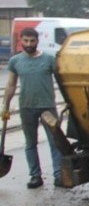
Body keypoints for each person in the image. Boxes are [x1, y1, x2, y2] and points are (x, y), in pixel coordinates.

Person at [2, 27, 65, 189]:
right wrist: (5, 107)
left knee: (54, 142)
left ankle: (58, 174)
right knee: (30, 143)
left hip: (47, 107)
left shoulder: (49, 60)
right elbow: (10, 85)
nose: (29, 44)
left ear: (37, 41)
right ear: (21, 41)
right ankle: (35, 176)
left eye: (32, 41)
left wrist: (68, 101)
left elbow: (62, 81)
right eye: (26, 41)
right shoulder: (15, 61)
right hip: (26, 107)